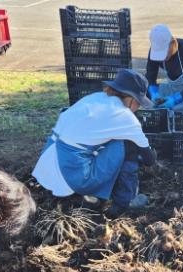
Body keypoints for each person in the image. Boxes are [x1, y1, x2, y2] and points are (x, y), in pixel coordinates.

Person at [32, 69, 156, 217]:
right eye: (139, 103)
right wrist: (150, 155)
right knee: (128, 145)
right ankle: (125, 201)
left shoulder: (96, 98)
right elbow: (149, 159)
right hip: (73, 174)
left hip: (48, 162)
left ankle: (90, 198)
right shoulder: (125, 117)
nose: (139, 107)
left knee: (107, 142)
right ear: (130, 99)